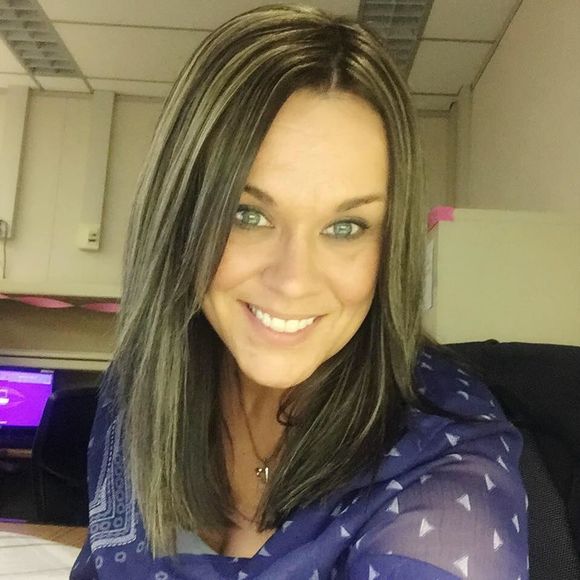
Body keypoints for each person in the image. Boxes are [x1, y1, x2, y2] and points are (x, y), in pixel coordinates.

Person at [71, 4, 529, 579]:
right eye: (248, 214)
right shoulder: (138, 388)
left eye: (346, 227)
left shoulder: (446, 466)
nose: (293, 280)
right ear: (180, 215)